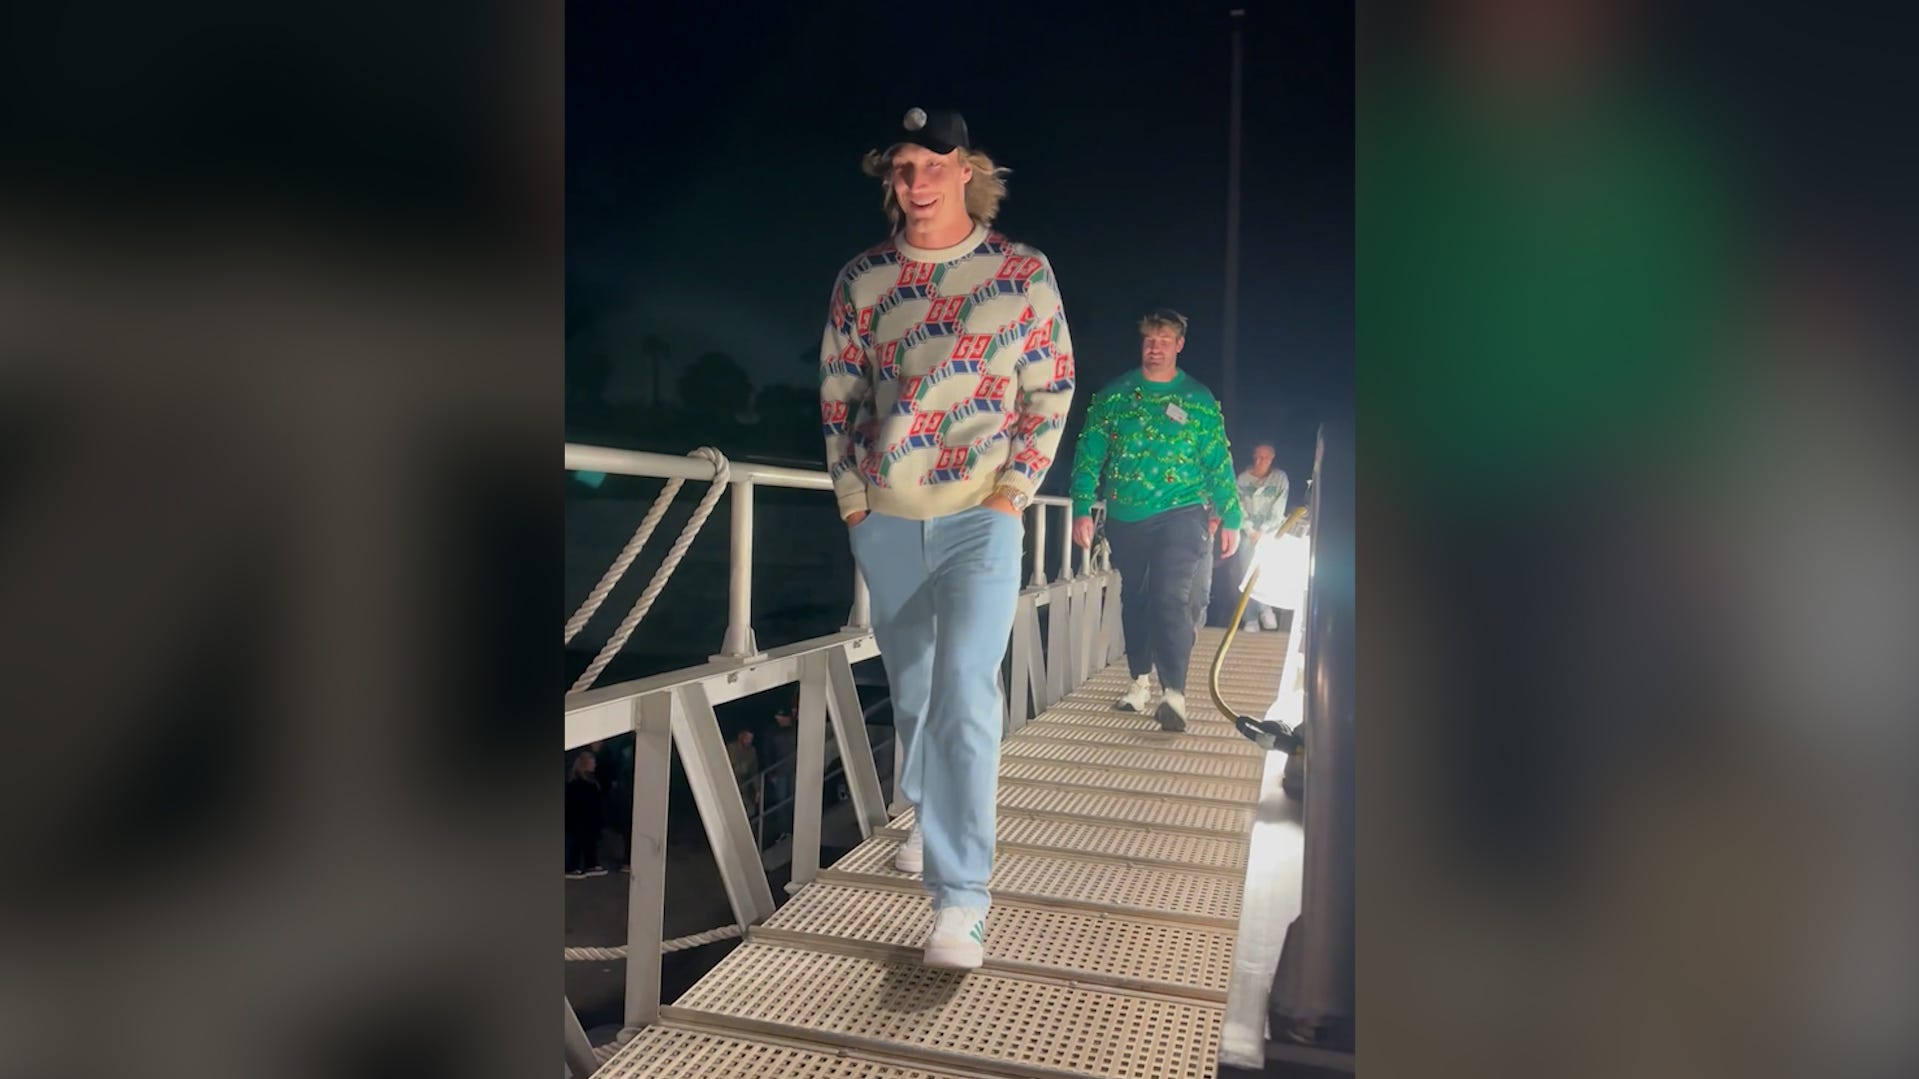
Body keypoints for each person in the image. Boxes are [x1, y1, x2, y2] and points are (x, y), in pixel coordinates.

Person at [819, 107, 1075, 969]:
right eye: (902, 167)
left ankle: (960, 900)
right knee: (917, 693)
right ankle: (929, 813)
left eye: (934, 164)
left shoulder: (1021, 271)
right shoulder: (863, 279)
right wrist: (854, 503)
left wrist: (1012, 493)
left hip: (980, 516)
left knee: (966, 689)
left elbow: (1049, 390)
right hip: (888, 516)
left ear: (967, 170)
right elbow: (839, 396)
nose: (917, 181)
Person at [1070, 309, 1241, 732]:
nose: (1155, 348)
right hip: (1127, 515)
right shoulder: (1114, 396)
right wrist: (1081, 507)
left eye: (1164, 341)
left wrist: (1231, 515)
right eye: (1149, 340)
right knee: (1137, 597)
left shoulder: (1197, 400)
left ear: (1179, 345)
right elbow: (1089, 454)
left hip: (1183, 511)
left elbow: (1217, 460)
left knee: (1170, 597)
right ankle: (1139, 681)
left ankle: (1174, 694)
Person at [1235, 443, 1290, 632]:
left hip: (1271, 532)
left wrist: (1264, 531)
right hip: (1248, 534)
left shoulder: (1280, 478)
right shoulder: (1242, 479)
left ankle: (1265, 608)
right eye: (1257, 457)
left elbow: (1279, 507)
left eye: (1264, 458)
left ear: (1271, 459)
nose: (1260, 461)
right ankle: (1250, 618)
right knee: (1246, 573)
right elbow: (1238, 507)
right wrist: (1250, 531)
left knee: (1268, 571)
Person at [564, 750, 607, 878]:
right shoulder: (580, 784)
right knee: (578, 843)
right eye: (592, 762)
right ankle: (573, 867)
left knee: (587, 842)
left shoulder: (586, 781)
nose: (595, 764)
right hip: (582, 819)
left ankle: (589, 864)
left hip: (585, 819)